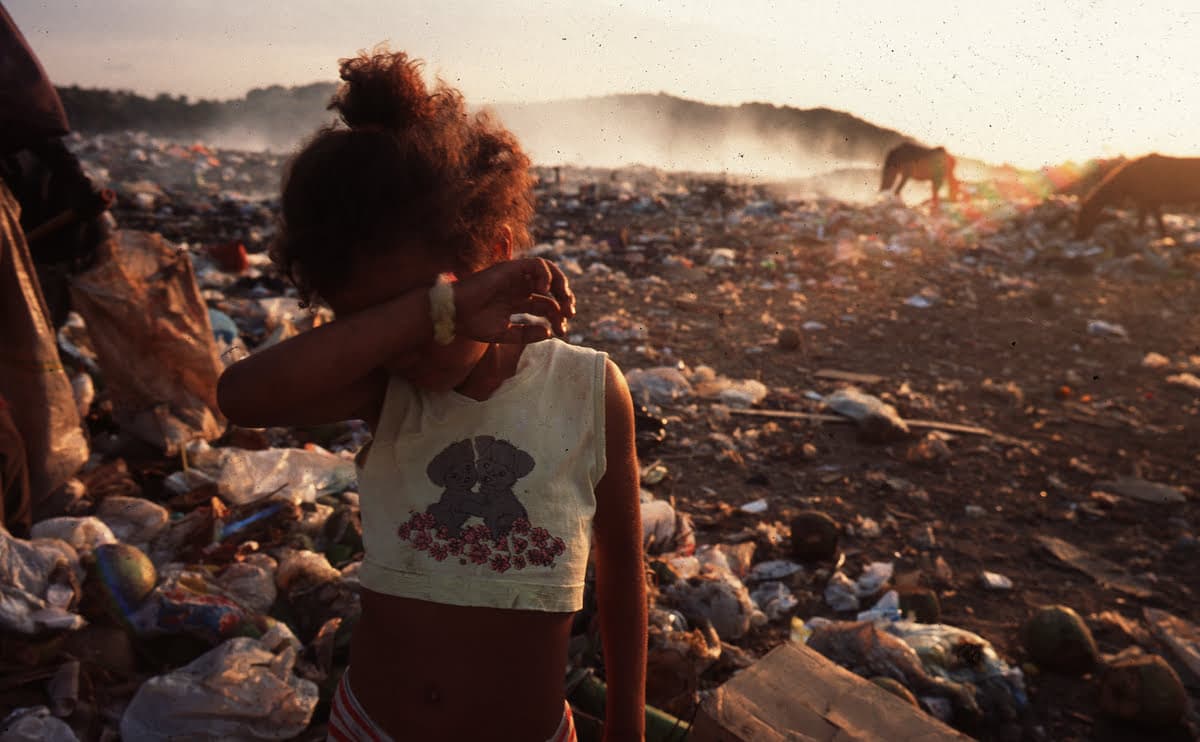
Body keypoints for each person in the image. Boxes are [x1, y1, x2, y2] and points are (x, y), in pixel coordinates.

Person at [217, 49, 647, 742]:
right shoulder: (384, 386)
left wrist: (628, 727)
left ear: (496, 255)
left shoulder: (587, 389)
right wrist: (430, 314)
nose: (410, 347)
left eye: (428, 311)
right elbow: (241, 397)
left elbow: (623, 576)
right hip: (371, 726)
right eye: (376, 324)